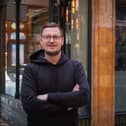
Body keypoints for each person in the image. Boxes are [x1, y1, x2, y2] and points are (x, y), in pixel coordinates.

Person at [21, 22, 90, 126]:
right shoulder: (30, 69)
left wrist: (48, 97)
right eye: (47, 37)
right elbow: (29, 105)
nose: (51, 40)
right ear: (41, 41)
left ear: (62, 40)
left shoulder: (76, 67)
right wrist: (68, 105)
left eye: (55, 37)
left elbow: (84, 96)